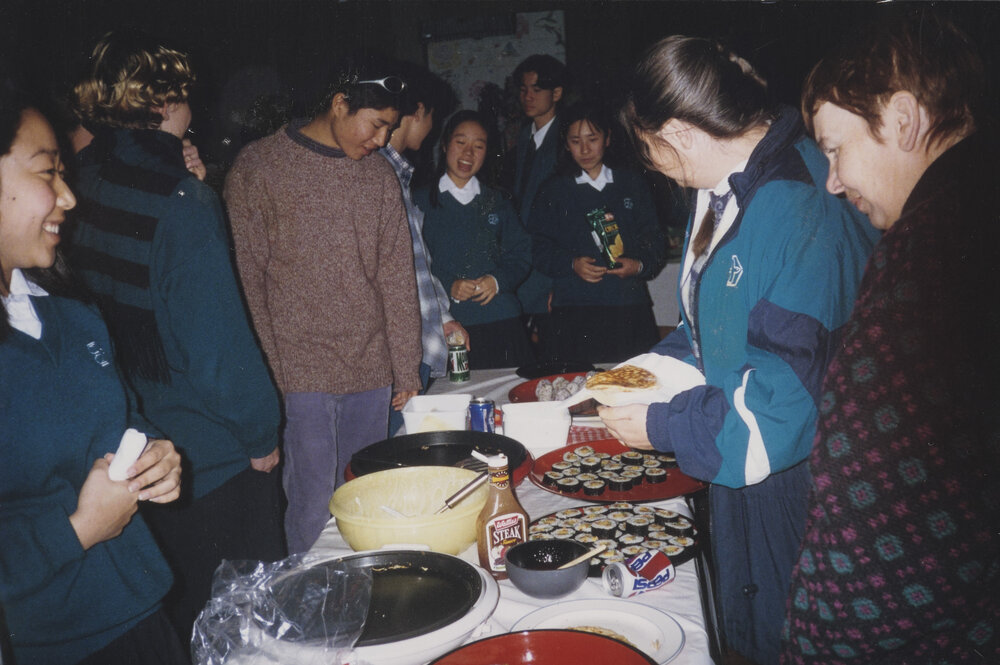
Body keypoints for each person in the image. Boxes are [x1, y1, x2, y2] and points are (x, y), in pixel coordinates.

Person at [602, 36, 880, 665]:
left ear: (680, 132)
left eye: (650, 151)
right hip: (736, 455)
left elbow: (780, 410)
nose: (655, 169)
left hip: (796, 477)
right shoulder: (723, 187)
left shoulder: (799, 204)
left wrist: (661, 425)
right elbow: (709, 329)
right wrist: (636, 377)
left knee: (787, 638)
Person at [781, 13, 999, 664]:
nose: (832, 181)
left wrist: (811, 646)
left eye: (834, 149)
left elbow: (873, 523)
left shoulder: (928, 253)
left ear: (902, 119)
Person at [67, 32, 286, 641]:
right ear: (167, 102)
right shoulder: (181, 199)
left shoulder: (81, 182)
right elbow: (217, 348)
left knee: (191, 624)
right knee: (250, 632)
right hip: (209, 456)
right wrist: (262, 433)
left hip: (130, 451)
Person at [0, 82, 186, 665]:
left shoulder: (70, 313)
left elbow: (121, 418)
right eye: (47, 173)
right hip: (52, 644)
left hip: (139, 612)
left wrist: (156, 455)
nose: (68, 197)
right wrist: (78, 529)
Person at [224, 56, 422, 554]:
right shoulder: (260, 166)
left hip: (370, 370)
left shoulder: (378, 177)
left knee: (365, 496)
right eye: (376, 125)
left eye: (391, 128)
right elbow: (247, 280)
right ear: (339, 104)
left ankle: (365, 590)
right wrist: (272, 373)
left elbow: (397, 276)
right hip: (299, 373)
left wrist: (406, 364)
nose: (382, 139)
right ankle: (311, 596)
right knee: (312, 506)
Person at [530, 100, 665, 364]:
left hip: (627, 306)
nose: (585, 149)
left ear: (607, 138)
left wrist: (638, 265)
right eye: (575, 141)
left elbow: (655, 242)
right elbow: (538, 248)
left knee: (631, 381)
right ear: (566, 144)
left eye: (592, 139)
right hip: (574, 307)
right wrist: (571, 264)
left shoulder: (632, 183)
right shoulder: (553, 190)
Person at [381, 62, 468, 435]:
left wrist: (443, 317)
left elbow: (417, 264)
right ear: (418, 111)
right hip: (399, 350)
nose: (432, 129)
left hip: (414, 340)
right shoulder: (380, 173)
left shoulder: (397, 172)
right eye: (433, 117)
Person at [415, 110, 533, 370]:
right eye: (460, 142)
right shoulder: (420, 201)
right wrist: (449, 285)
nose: (468, 153)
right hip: (449, 326)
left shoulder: (497, 200)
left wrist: (497, 280)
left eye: (478, 146)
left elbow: (522, 252)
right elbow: (414, 263)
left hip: (501, 319)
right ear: (444, 144)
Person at [511, 54, 567, 362]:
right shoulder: (524, 135)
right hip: (526, 257)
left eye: (536, 89)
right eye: (523, 89)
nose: (528, 96)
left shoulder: (567, 139)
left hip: (552, 266)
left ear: (556, 93)